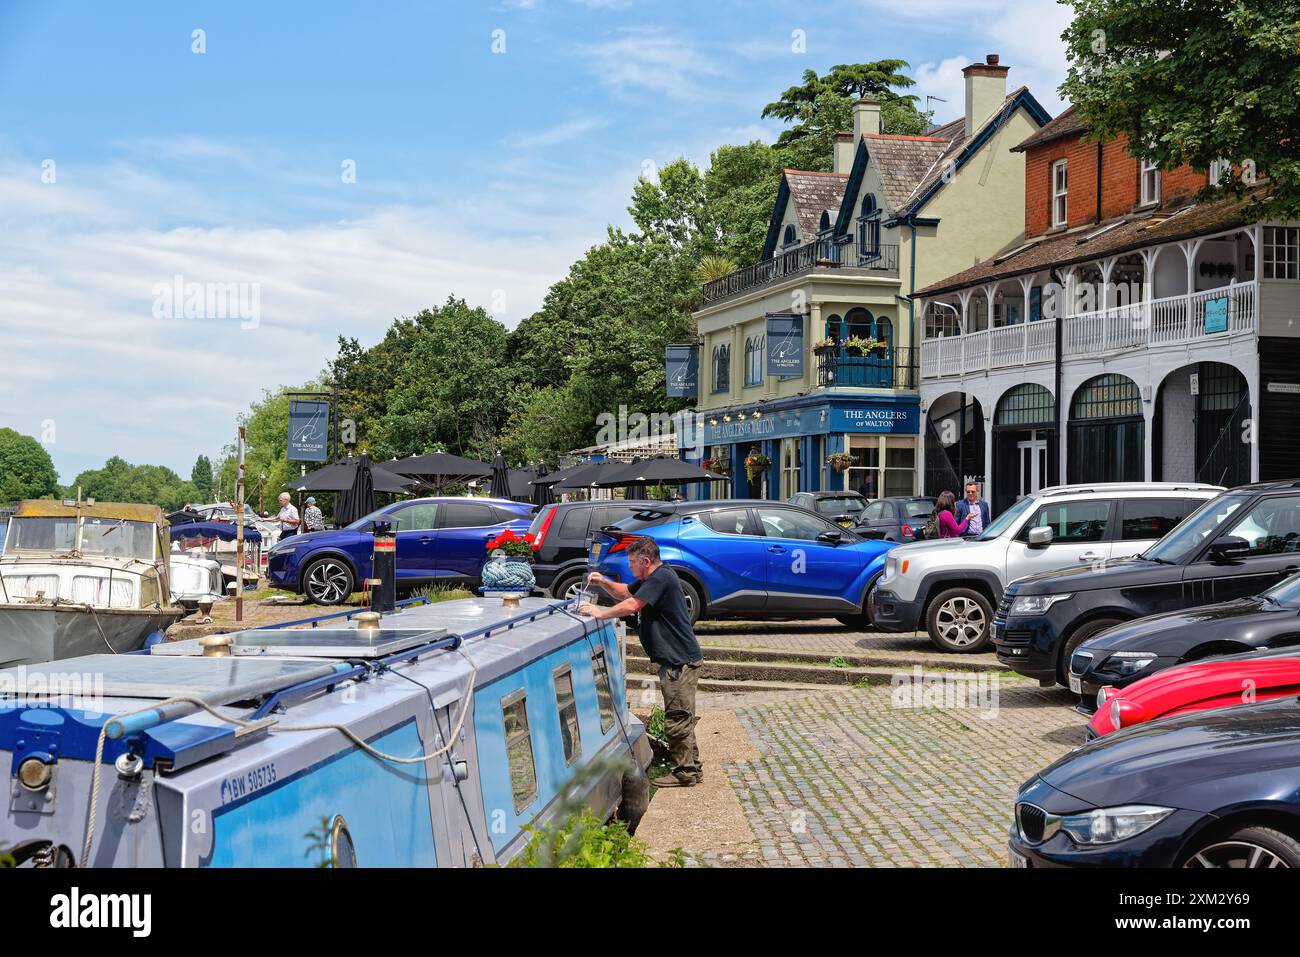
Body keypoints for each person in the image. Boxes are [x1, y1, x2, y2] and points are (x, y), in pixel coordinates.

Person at [579, 537, 704, 788]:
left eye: (633, 562)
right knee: (681, 715)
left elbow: (633, 604)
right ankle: (691, 766)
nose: (631, 566)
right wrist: (604, 582)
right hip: (676, 660)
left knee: (677, 718)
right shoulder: (653, 578)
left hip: (678, 662)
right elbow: (627, 592)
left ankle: (687, 773)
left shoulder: (661, 578)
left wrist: (600, 613)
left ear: (646, 561)